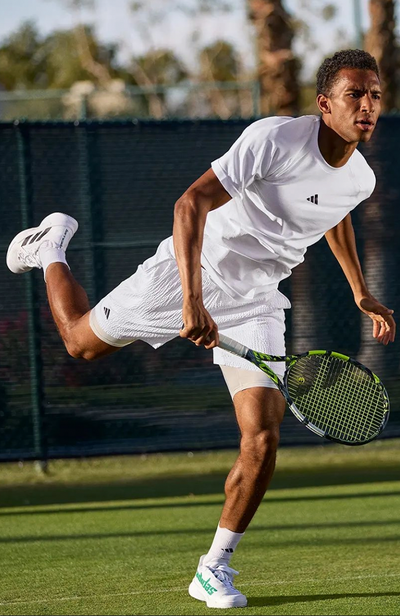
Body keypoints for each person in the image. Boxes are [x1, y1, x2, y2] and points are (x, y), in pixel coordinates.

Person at [6, 49, 396, 609]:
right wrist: (192, 300)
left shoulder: (360, 178)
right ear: (324, 103)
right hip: (193, 269)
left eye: (376, 95)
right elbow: (190, 204)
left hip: (257, 298)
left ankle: (213, 569)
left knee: (262, 434)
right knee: (79, 343)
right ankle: (51, 250)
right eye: (355, 94)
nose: (368, 105)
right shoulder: (276, 138)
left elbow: (332, 213)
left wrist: (359, 289)